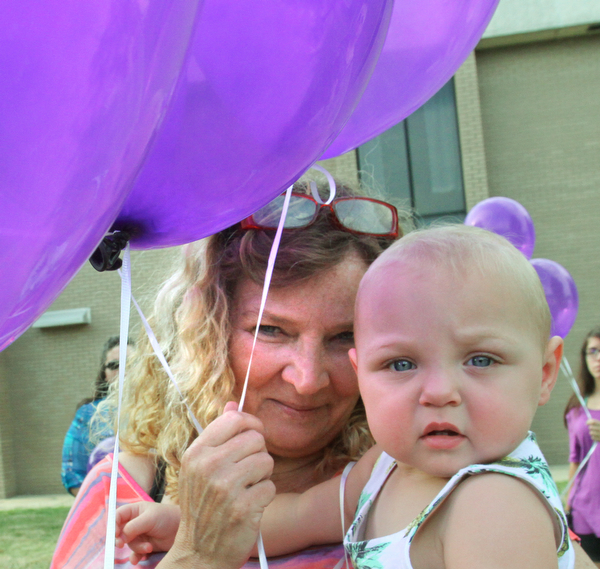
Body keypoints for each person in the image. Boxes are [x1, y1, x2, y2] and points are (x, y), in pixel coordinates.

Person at [115, 225, 576, 569]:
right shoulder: (384, 468)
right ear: (364, 374)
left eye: (480, 360)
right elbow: (295, 517)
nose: (439, 392)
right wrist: (185, 526)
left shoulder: (493, 504)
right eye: (401, 364)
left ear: (545, 374)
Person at [51, 181, 401, 569]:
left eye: (344, 336)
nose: (307, 379)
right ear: (207, 332)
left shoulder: (404, 480)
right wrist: (198, 554)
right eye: (271, 330)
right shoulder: (123, 493)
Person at [61, 336, 123, 496]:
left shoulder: (161, 410)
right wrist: (103, 508)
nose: (124, 369)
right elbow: (72, 473)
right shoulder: (88, 414)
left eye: (132, 363)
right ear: (104, 372)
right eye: (115, 364)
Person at [565, 327, 600, 566]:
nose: (598, 358)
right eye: (592, 351)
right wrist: (567, 501)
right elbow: (575, 457)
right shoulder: (577, 407)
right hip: (584, 507)